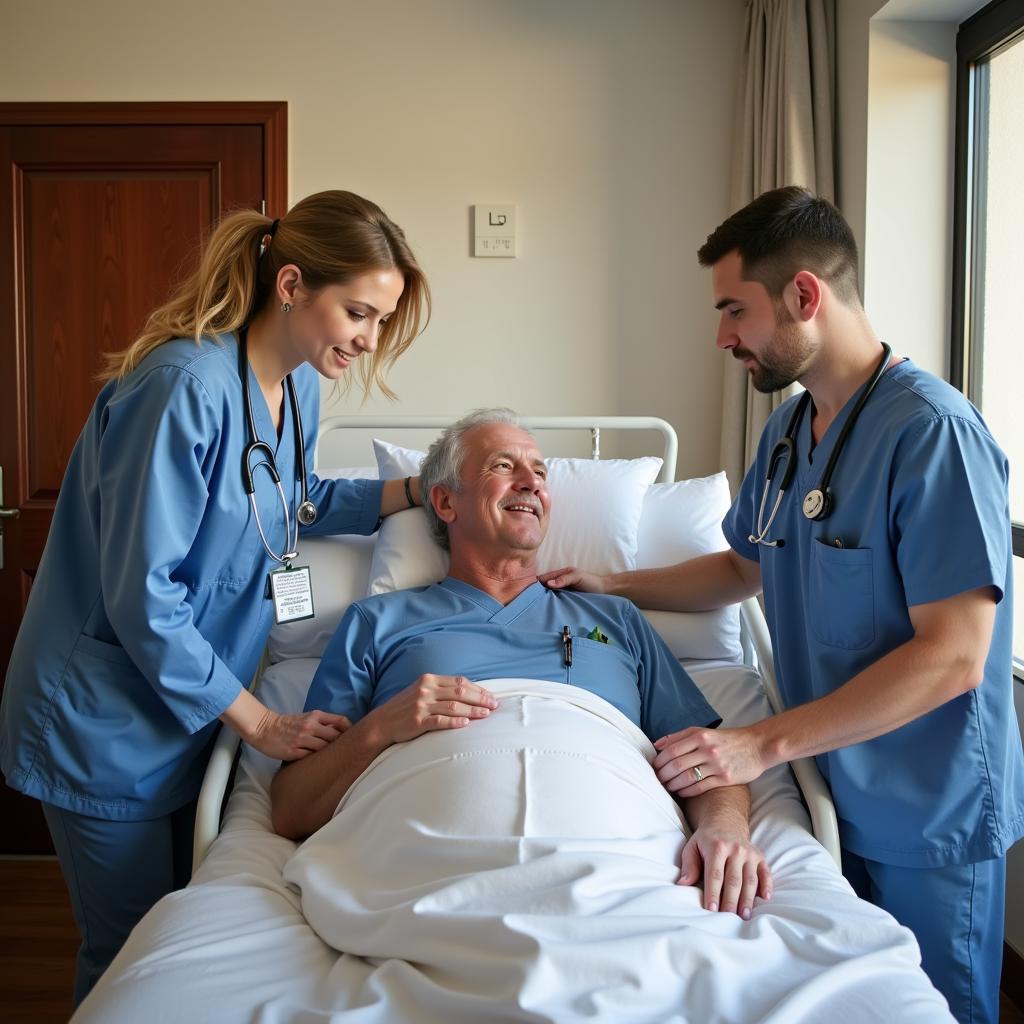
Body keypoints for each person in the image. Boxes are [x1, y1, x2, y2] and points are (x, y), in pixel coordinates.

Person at [540, 186, 1023, 1024]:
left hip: (922, 800)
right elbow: (741, 566)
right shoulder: (792, 430)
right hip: (827, 779)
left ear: (805, 295)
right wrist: (615, 583)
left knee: (933, 1009)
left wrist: (756, 744)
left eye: (735, 310)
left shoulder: (933, 434)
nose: (722, 336)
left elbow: (955, 655)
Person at [0, 189, 431, 1005]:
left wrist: (414, 492)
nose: (369, 340)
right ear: (293, 284)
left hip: (190, 710)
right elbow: (144, 597)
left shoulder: (297, 386)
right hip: (106, 720)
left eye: (380, 321)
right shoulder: (182, 388)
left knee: (173, 936)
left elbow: (291, 501)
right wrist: (262, 721)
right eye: (359, 313)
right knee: (131, 959)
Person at [271, 408, 773, 919]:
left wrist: (722, 828)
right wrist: (383, 727)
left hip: (617, 866)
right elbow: (293, 809)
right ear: (445, 501)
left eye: (540, 471)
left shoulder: (616, 618)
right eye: (502, 466)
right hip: (428, 874)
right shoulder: (377, 621)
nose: (531, 482)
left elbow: (705, 756)